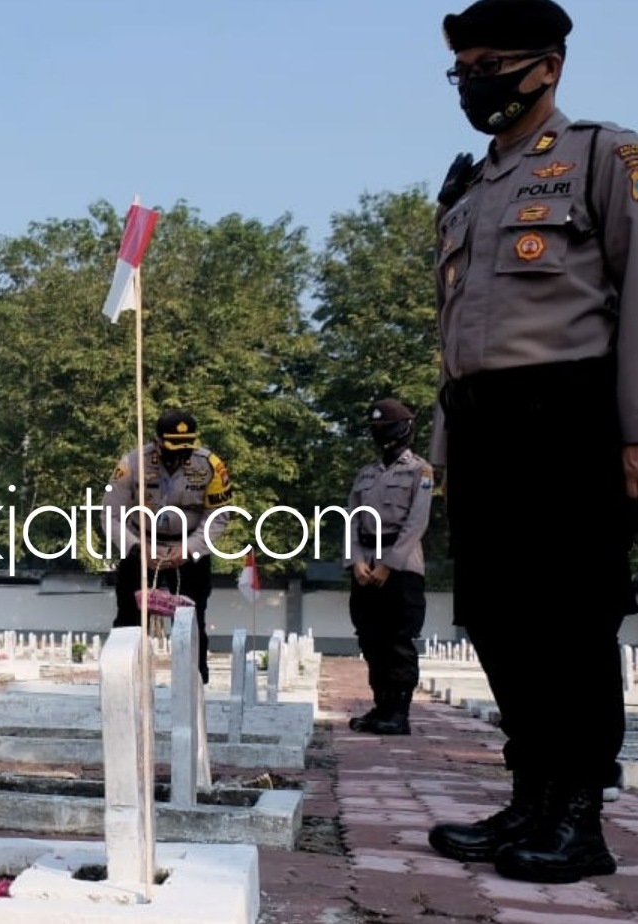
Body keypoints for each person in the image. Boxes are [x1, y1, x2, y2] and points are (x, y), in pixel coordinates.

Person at [425, 0, 636, 884]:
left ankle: (578, 817)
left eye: (490, 67)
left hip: (569, 414)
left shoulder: (602, 157)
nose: (472, 84)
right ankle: (531, 798)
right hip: (481, 422)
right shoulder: (468, 187)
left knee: (568, 619)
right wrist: (442, 450)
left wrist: (634, 431)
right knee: (497, 617)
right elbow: (451, 329)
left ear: (546, 66)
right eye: (461, 69)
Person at [103, 408, 232, 683]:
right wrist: (137, 548)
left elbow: (219, 515)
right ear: (157, 442)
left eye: (186, 449)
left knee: (192, 619)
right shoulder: (132, 463)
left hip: (188, 549)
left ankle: (195, 683)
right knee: (128, 617)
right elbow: (110, 514)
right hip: (141, 544)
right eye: (173, 449)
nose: (180, 456)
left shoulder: (210, 465)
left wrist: (190, 548)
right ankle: (120, 680)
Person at [343, 399, 433, 736]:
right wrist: (356, 561)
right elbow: (351, 519)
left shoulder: (420, 471)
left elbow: (416, 522)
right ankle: (381, 706)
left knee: (398, 641)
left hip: (402, 567)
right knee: (370, 639)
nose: (379, 435)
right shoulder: (366, 473)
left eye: (385, 428)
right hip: (365, 564)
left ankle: (399, 713)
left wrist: (387, 565)